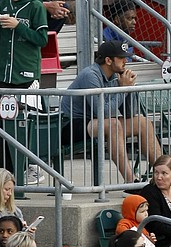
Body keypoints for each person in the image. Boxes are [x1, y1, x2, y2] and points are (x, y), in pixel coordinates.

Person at [61, 40, 162, 184]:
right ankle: (131, 181)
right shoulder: (91, 75)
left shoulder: (116, 75)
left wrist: (129, 88)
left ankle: (166, 174)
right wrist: (123, 89)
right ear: (108, 60)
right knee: (113, 124)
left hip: (94, 122)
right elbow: (104, 113)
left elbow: (130, 112)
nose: (125, 61)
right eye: (121, 58)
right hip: (69, 125)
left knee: (142, 122)